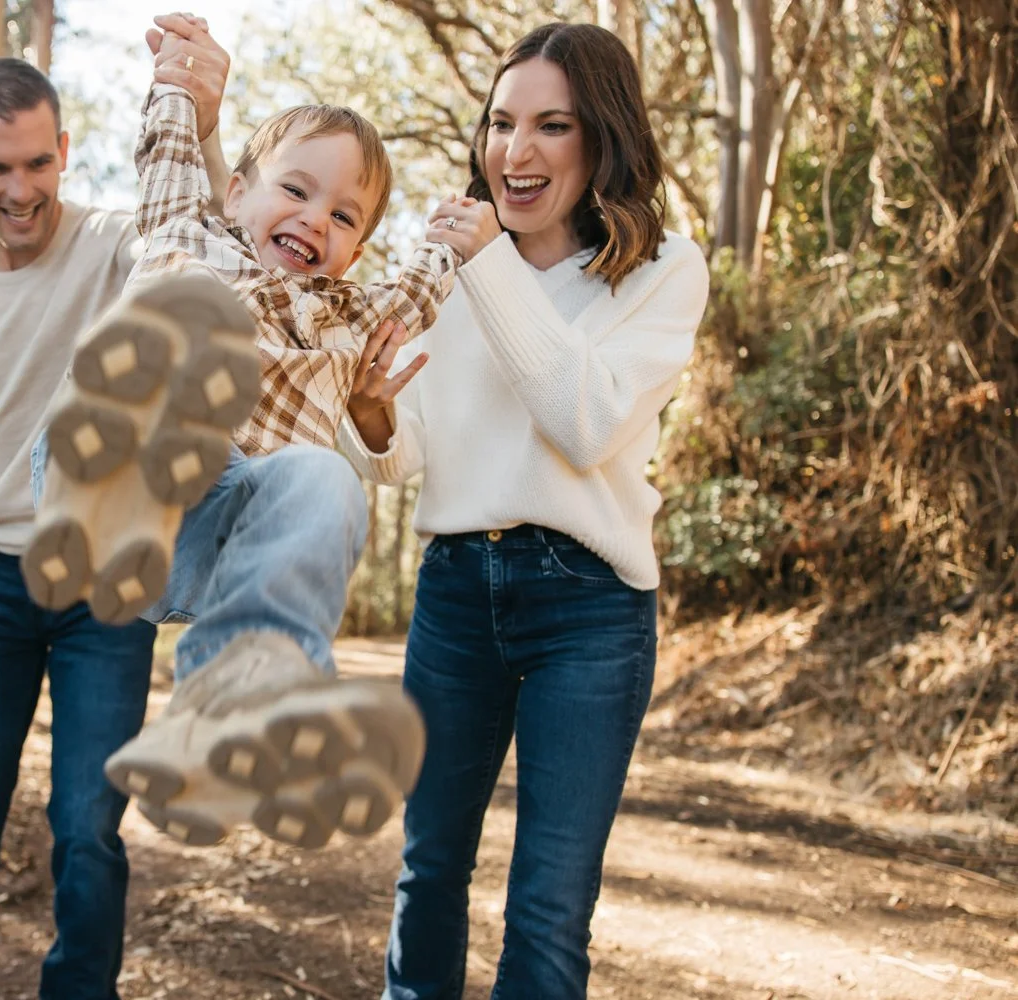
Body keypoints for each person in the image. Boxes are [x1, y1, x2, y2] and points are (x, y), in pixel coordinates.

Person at [22, 31, 471, 851]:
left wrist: (451, 238)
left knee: (326, 479)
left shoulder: (349, 318)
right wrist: (175, 80)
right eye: (295, 190)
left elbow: (418, 288)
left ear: (355, 251)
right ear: (234, 193)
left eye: (343, 216)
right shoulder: (182, 228)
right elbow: (167, 149)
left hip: (215, 542)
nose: (315, 218)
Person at [339, 22, 711, 1000]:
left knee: (547, 910)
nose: (515, 150)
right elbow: (407, 452)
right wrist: (373, 413)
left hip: (589, 609)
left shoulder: (662, 270)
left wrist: (489, 265)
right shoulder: (448, 271)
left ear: (603, 138)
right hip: (456, 593)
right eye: (502, 123)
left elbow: (586, 424)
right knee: (428, 873)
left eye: (552, 125)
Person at [0, 20, 232, 1000]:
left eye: (39, 162)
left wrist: (207, 126)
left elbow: (218, 233)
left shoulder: (121, 246)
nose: (20, 189)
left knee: (87, 824)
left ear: (65, 151)